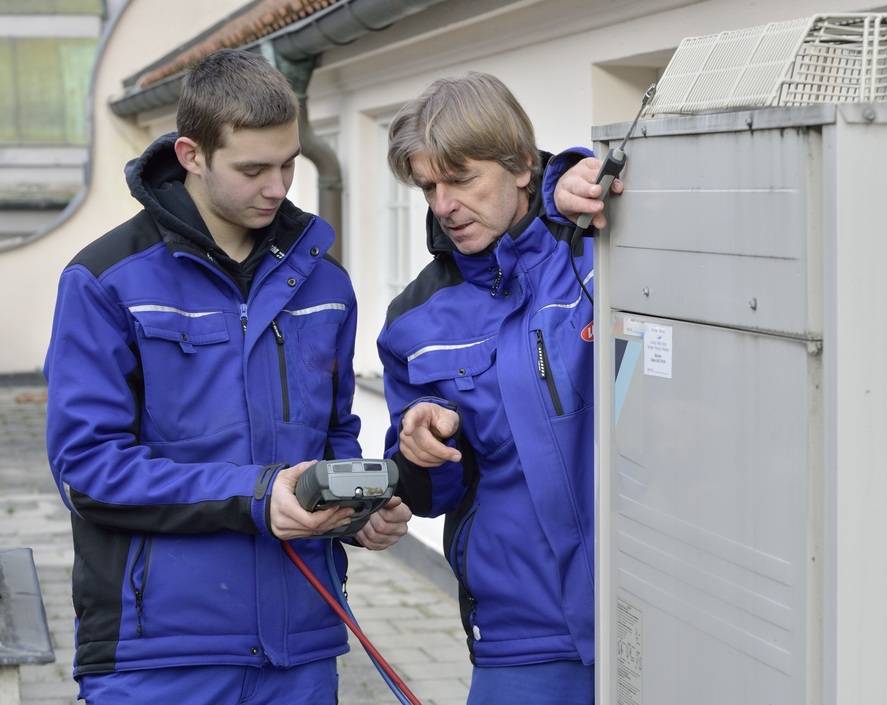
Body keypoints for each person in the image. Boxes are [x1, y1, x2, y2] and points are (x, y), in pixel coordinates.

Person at [44, 48, 410, 704]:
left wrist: (357, 512)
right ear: (192, 155)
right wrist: (255, 494)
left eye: (289, 163)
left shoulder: (324, 283)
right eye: (253, 169)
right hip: (158, 655)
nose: (278, 187)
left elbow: (333, 437)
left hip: (300, 647)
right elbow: (87, 472)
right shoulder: (105, 282)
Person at [378, 72, 619, 705]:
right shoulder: (414, 321)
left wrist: (574, 176)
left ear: (520, 166)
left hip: (653, 607)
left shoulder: (598, 248)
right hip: (522, 635)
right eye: (428, 186)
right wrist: (417, 449)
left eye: (461, 180)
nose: (443, 205)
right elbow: (427, 498)